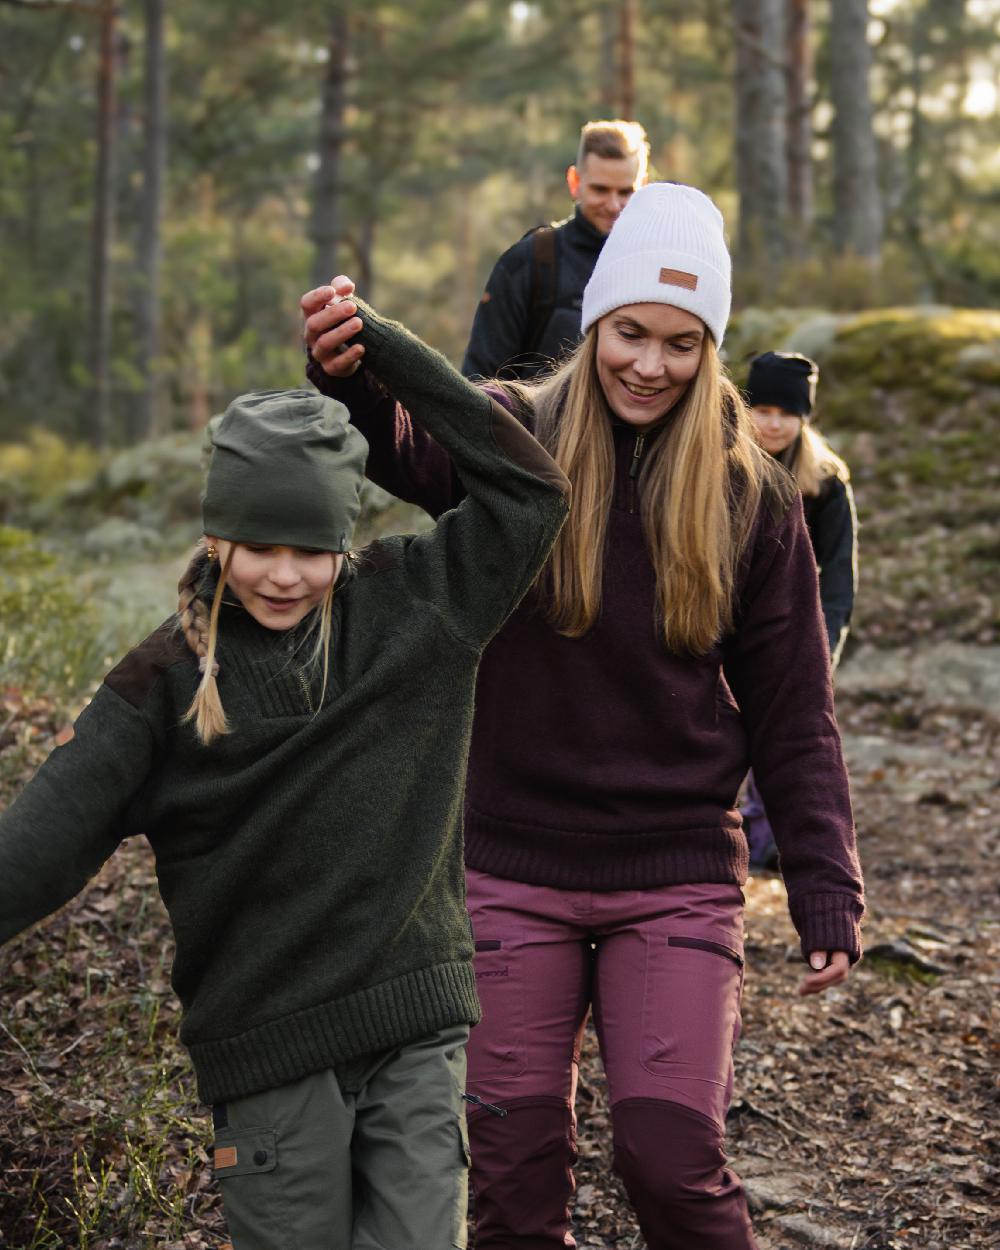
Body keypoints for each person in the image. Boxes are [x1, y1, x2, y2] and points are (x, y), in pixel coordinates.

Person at [303, 182, 865, 1250]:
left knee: (670, 1155)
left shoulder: (751, 497)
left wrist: (824, 886)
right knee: (510, 1171)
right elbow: (407, 438)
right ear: (595, 321)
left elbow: (796, 711)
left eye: (681, 343)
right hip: (511, 862)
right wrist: (345, 366)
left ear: (710, 350)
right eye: (629, 333)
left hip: (676, 871)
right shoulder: (515, 437)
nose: (649, 364)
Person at [0, 306, 569, 1249]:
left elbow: (533, 493)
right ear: (216, 535)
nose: (282, 575)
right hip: (269, 1056)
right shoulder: (159, 686)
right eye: (258, 546)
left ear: (344, 543)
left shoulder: (419, 609)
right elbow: (40, 845)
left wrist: (383, 354)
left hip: (414, 1031)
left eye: (311, 551)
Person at [741, 350, 859, 869]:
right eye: (763, 410)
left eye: (786, 414)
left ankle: (769, 839)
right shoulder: (719, 464)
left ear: (803, 418)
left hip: (793, 628)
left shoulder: (826, 483)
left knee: (786, 733)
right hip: (724, 622)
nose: (773, 424)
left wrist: (824, 645)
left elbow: (839, 574)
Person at [461, 118, 650, 381]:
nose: (613, 205)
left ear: (644, 187)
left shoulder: (654, 269)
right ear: (574, 182)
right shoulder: (529, 262)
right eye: (600, 190)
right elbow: (480, 379)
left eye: (626, 192)